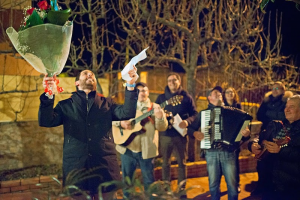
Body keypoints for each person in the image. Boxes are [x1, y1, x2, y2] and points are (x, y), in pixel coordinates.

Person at [38, 68, 139, 200]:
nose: (90, 74)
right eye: (85, 74)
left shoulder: (107, 103)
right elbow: (46, 121)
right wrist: (49, 94)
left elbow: (127, 113)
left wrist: (130, 85)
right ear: (77, 83)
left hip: (104, 166)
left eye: (92, 74)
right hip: (77, 168)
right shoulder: (66, 105)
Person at [187, 86, 250, 200]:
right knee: (213, 184)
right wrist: (196, 133)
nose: (219, 94)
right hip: (211, 152)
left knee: (232, 184)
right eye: (215, 93)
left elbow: (242, 134)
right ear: (209, 98)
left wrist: (246, 134)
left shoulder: (233, 112)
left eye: (220, 94)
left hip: (229, 152)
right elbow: (190, 129)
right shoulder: (204, 113)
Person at [114, 82, 168, 197]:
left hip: (147, 151)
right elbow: (114, 123)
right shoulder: (127, 107)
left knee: (149, 181)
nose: (141, 93)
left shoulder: (155, 107)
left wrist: (160, 117)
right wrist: (121, 123)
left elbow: (162, 127)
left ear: (148, 92)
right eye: (138, 91)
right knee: (127, 182)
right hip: (128, 149)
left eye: (144, 90)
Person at [249, 95, 300, 200]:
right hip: (270, 184)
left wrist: (280, 150)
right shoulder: (276, 125)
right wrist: (252, 145)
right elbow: (259, 138)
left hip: (292, 187)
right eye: (286, 106)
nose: (287, 109)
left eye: (292, 107)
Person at [155, 72, 197, 189]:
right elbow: (155, 113)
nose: (172, 83)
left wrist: (187, 121)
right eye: (169, 81)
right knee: (165, 163)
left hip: (181, 135)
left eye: (174, 80)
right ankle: (166, 188)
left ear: (179, 82)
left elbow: (194, 114)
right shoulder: (161, 98)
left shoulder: (187, 97)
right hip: (165, 135)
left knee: (182, 164)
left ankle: (182, 189)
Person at [253, 81, 293, 195]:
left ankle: (273, 187)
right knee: (261, 160)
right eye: (273, 88)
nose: (275, 90)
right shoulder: (266, 101)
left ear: (283, 90)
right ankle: (261, 185)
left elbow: (286, 117)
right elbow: (259, 115)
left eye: (278, 88)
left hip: (281, 133)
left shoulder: (286, 101)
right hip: (267, 132)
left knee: (276, 161)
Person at [223, 87, 249, 193]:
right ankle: (226, 183)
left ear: (234, 94)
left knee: (235, 163)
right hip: (224, 138)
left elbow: (244, 120)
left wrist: (245, 129)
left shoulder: (238, 106)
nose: (230, 94)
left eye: (232, 92)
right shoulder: (221, 107)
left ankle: (236, 183)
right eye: (228, 92)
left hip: (235, 138)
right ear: (224, 95)